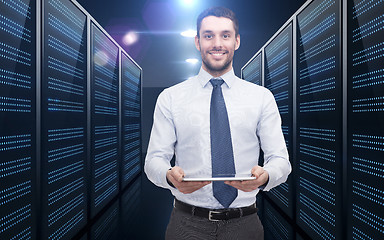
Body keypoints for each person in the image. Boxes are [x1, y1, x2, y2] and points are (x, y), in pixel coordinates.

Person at [144, 6, 291, 240]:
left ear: (237, 41)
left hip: (245, 224)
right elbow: (153, 160)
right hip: (186, 224)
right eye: (208, 35)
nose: (217, 43)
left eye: (225, 35)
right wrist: (168, 175)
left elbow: (281, 160)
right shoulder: (170, 98)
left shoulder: (261, 97)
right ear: (197, 41)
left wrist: (266, 176)